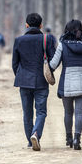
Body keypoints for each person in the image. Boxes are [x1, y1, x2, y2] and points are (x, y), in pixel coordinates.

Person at [49, 19, 82, 150]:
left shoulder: (62, 44)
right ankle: (77, 139)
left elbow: (53, 64)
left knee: (68, 113)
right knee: (80, 114)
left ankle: (68, 138)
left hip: (67, 83)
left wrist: (46, 69)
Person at [12, 13, 56, 151]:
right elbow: (53, 60)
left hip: (24, 81)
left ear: (26, 25)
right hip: (41, 81)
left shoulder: (19, 40)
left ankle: (30, 141)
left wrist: (20, 75)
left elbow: (15, 63)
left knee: (27, 113)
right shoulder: (46, 38)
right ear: (41, 25)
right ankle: (36, 133)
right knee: (41, 111)